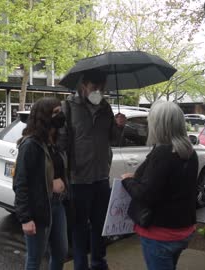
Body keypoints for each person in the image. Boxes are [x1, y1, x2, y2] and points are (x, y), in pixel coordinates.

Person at [58, 69, 126, 270]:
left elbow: (113, 139)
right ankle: (80, 265)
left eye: (102, 88)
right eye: (95, 87)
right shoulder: (68, 107)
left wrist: (119, 126)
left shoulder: (106, 108)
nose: (99, 92)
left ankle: (98, 262)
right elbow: (62, 144)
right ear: (83, 85)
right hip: (78, 179)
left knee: (99, 225)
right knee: (79, 228)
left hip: (101, 177)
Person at [121, 100, 198, 270]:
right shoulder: (190, 153)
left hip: (161, 234)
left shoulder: (163, 154)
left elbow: (145, 195)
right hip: (183, 229)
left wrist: (127, 180)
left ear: (159, 125)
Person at [13, 97, 69, 270]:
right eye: (56, 113)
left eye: (61, 111)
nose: (61, 116)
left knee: (60, 252)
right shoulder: (30, 145)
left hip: (57, 205)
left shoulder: (55, 141)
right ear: (45, 116)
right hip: (39, 209)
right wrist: (26, 218)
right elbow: (20, 183)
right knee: (35, 259)